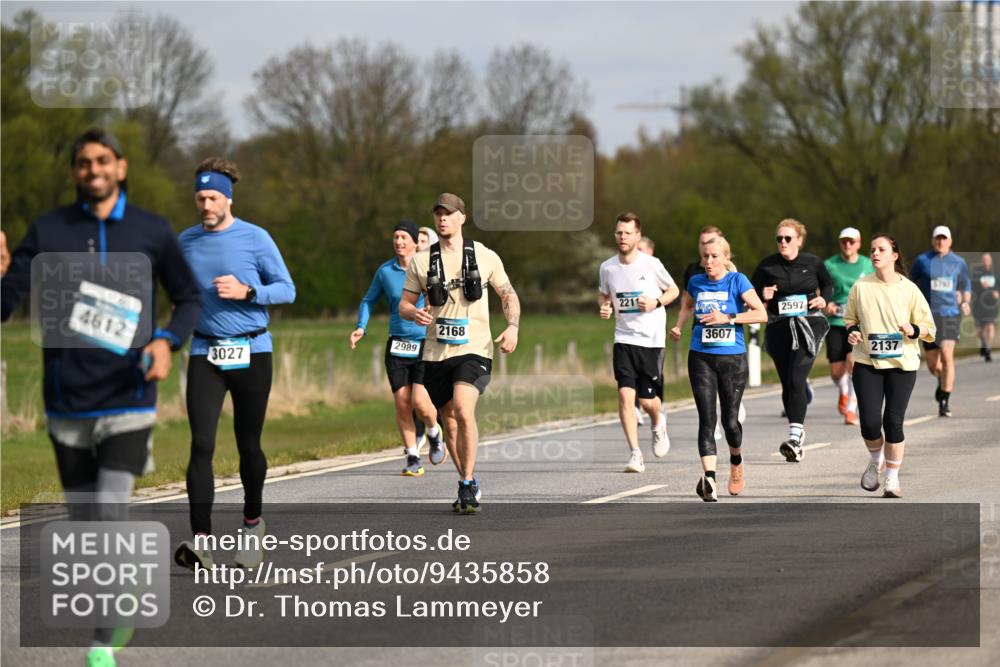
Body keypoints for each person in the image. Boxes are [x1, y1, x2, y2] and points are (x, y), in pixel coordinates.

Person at [1, 127, 202, 667]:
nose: (93, 169)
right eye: (84, 162)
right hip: (67, 400)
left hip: (129, 395)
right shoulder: (48, 230)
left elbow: (189, 298)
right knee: (86, 524)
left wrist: (166, 341)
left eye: (102, 160)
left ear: (121, 166)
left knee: (111, 509)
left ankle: (103, 635)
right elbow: (5, 303)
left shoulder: (151, 230)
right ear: (74, 172)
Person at [173, 158, 296, 572]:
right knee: (201, 444)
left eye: (212, 198)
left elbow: (287, 290)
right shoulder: (185, 241)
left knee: (248, 445)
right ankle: (201, 542)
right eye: (200, 198)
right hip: (205, 352)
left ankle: (252, 526)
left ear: (228, 199)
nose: (206, 205)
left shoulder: (255, 238)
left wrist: (248, 292)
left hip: (252, 350)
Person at [400, 193, 520, 513]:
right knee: (449, 421)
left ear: (462, 218)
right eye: (438, 214)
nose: (442, 219)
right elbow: (404, 304)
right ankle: (469, 479)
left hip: (475, 349)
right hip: (435, 353)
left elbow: (507, 293)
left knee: (464, 411)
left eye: (449, 214)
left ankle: (466, 485)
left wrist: (512, 326)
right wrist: (414, 313)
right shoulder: (421, 261)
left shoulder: (484, 255)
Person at [670, 236, 767, 501]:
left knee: (730, 422)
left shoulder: (738, 281)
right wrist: (679, 325)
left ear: (726, 257)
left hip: (732, 358)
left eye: (714, 256)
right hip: (700, 356)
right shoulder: (695, 281)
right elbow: (687, 305)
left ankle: (736, 460)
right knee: (707, 418)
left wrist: (729, 317)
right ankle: (710, 479)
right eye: (706, 256)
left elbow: (761, 314)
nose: (709, 261)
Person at [350, 220, 444, 476]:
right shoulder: (385, 271)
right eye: (396, 237)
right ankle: (412, 456)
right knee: (402, 402)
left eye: (404, 238)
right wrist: (361, 327)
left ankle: (434, 432)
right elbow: (368, 300)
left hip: (426, 343)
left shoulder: (428, 267)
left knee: (420, 402)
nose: (399, 242)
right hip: (398, 344)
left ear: (415, 242)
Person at [844, 234, 934, 498]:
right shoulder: (861, 287)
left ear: (894, 256)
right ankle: (876, 459)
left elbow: (929, 329)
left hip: (902, 364)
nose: (875, 253)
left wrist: (913, 329)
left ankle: (892, 479)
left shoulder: (910, 289)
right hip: (867, 362)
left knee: (893, 421)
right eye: (872, 250)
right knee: (870, 424)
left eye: (881, 249)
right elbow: (850, 320)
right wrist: (853, 332)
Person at [598, 213, 679, 473]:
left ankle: (658, 421)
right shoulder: (608, 267)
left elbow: (674, 290)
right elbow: (603, 294)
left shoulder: (651, 264)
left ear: (637, 236)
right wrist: (605, 306)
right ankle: (635, 453)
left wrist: (656, 302)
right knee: (625, 395)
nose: (622, 237)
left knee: (647, 402)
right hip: (623, 339)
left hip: (651, 341)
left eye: (627, 233)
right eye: (619, 233)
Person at [751, 219, 833, 462]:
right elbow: (750, 293)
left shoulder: (813, 262)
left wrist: (824, 300)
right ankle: (799, 402)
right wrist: (762, 294)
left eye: (788, 238)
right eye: (779, 239)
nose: (783, 242)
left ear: (799, 240)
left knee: (796, 377)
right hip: (779, 326)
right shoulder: (767, 265)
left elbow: (827, 284)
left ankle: (795, 439)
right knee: (788, 382)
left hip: (808, 324)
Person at [909, 226, 972, 417]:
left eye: (944, 238)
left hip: (950, 314)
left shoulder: (959, 262)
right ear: (932, 240)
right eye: (937, 238)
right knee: (933, 364)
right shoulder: (922, 261)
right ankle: (941, 378)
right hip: (928, 317)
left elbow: (965, 286)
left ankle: (944, 400)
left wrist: (965, 301)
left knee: (947, 354)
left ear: (950, 241)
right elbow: (910, 284)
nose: (940, 242)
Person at [823, 227, 873, 425]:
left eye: (851, 241)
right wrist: (826, 304)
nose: (847, 244)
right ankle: (844, 389)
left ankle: (851, 409)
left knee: (854, 363)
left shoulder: (868, 264)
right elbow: (820, 289)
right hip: (836, 322)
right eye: (844, 241)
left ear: (858, 243)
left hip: (860, 323)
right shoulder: (830, 265)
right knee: (837, 371)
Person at [972, 252, 998, 362]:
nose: (986, 261)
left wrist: (997, 293)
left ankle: (988, 348)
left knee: (990, 325)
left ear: (991, 261)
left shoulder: (995, 273)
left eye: (988, 259)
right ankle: (984, 343)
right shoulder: (977, 273)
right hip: (978, 305)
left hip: (991, 304)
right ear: (981, 261)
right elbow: (972, 287)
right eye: (984, 260)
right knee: (979, 330)